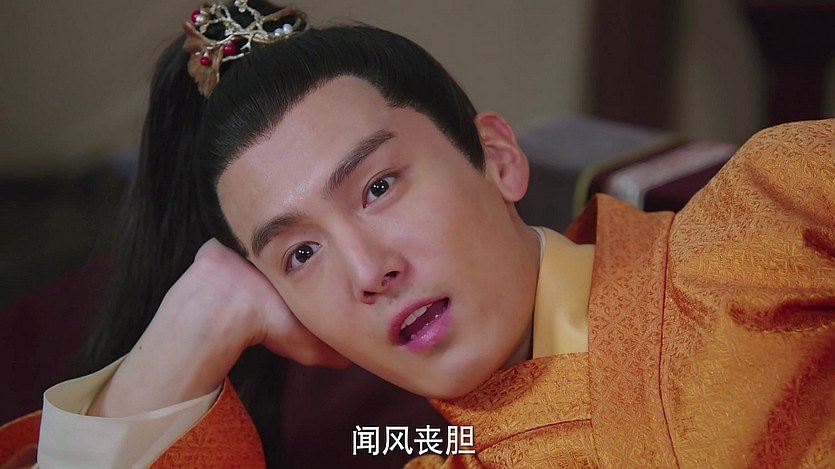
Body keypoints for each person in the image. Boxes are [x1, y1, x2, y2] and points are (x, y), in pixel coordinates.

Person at [1, 1, 834, 467]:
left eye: (377, 186)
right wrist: (190, 327)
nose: (367, 269)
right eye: (300, 253)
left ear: (498, 156)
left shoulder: (764, 219)